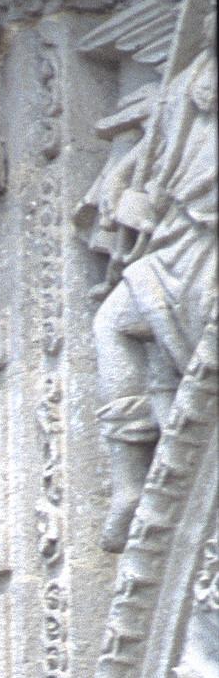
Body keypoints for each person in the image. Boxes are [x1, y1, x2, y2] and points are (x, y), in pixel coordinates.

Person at [83, 48, 218, 549]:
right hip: (175, 244)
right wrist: (128, 199)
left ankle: (163, 463)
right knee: (114, 324)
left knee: (140, 336)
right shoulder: (188, 88)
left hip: (204, 250)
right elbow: (144, 164)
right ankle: (133, 480)